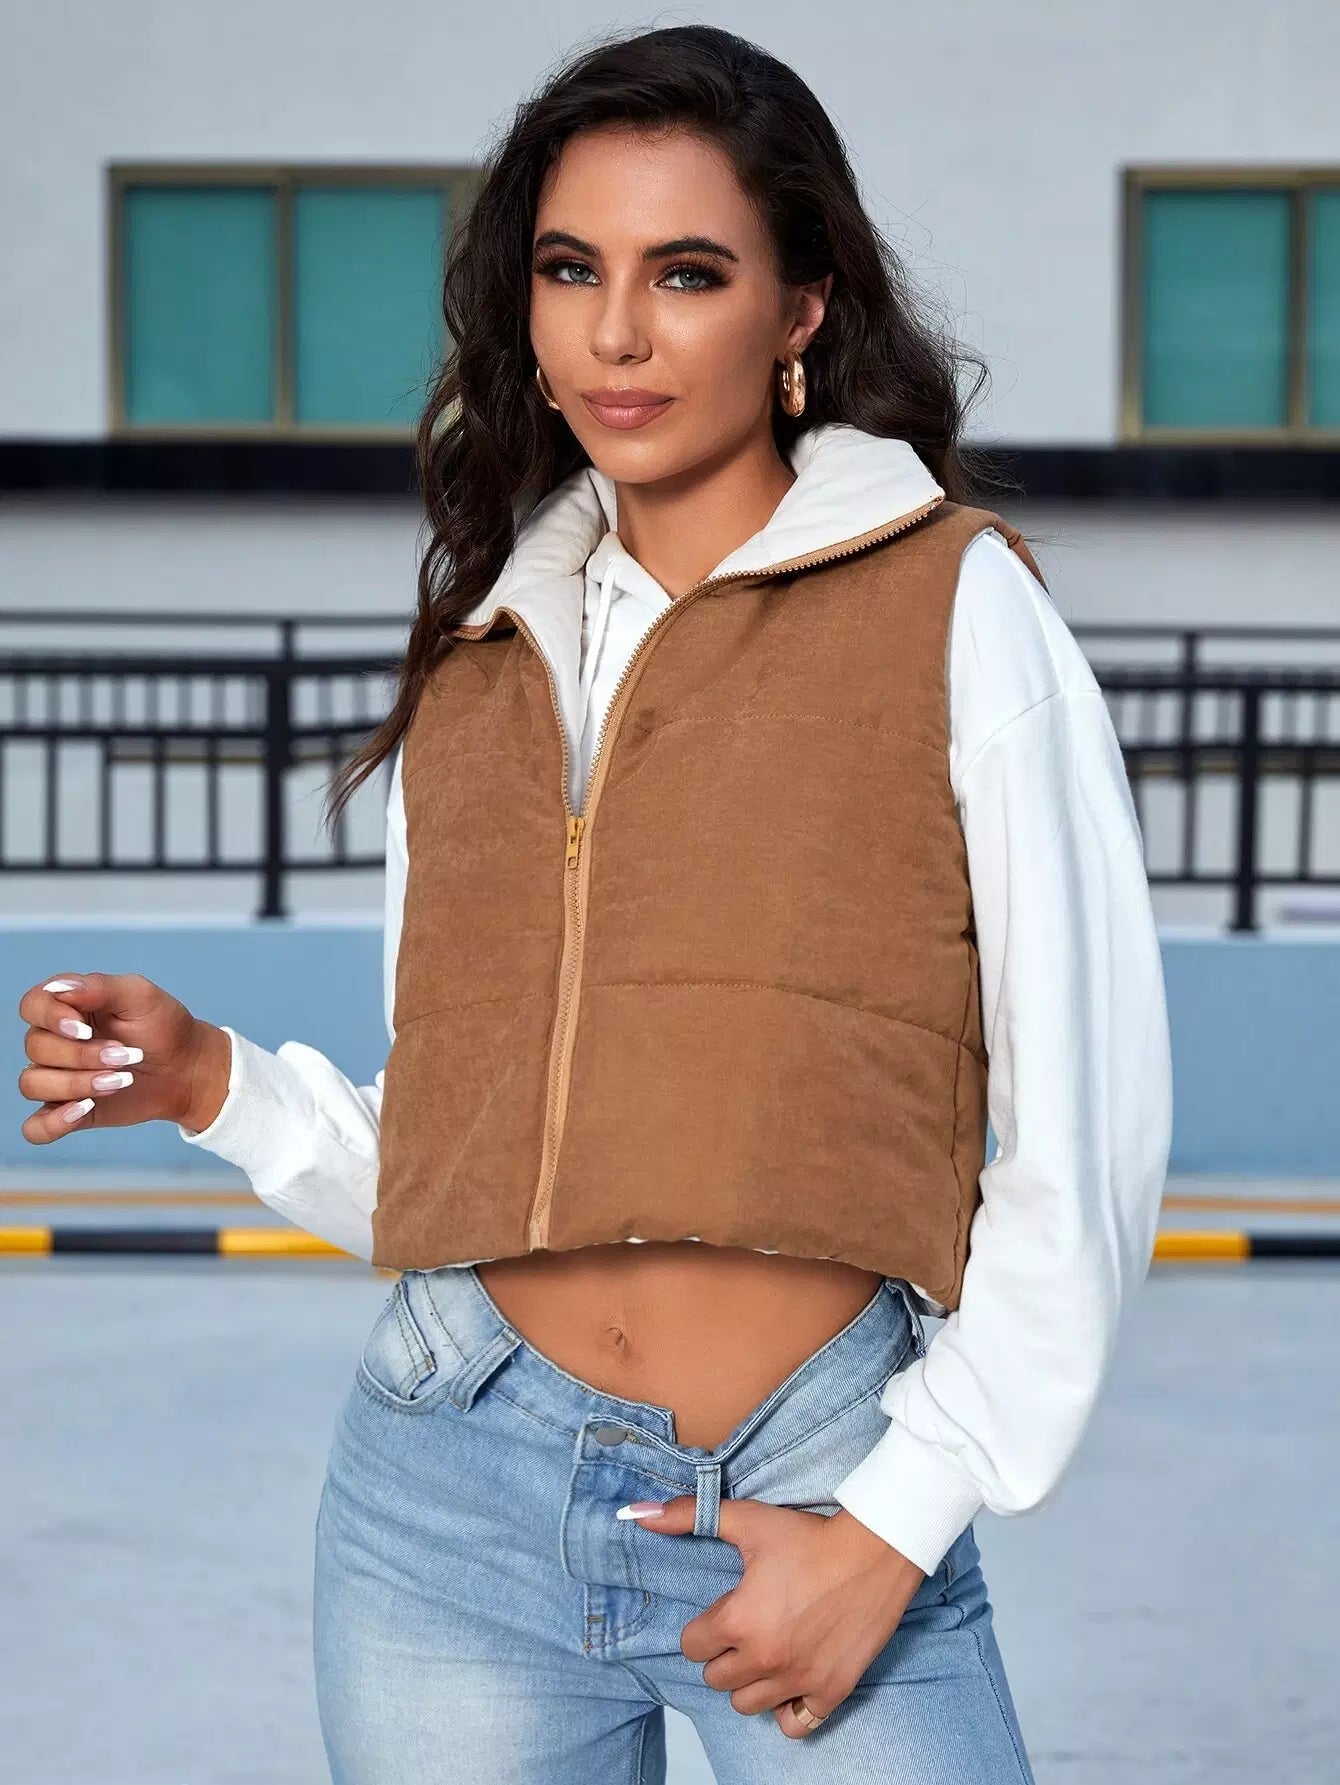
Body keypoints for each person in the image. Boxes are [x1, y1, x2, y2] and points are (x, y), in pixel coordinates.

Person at [16, 24, 1172, 1784]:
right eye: (572, 270)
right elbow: (470, 1150)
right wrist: (211, 1083)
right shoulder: (485, 653)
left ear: (800, 310)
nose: (616, 335)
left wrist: (893, 1523)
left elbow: (1087, 1131)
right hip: (447, 1506)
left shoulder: (955, 608)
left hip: (816, 1482)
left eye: (685, 274)